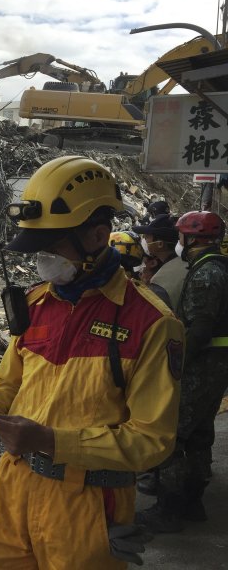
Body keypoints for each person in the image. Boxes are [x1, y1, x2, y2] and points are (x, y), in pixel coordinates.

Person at [0, 156, 183, 569]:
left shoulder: (151, 323)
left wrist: (51, 442)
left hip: (88, 507)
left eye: (51, 246)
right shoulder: (35, 303)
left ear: (98, 236)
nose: (42, 258)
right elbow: (9, 381)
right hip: (10, 492)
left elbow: (151, 441)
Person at [136, 211, 228, 533]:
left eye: (182, 236)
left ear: (191, 238)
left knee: (172, 435)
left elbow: (200, 328)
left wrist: (176, 365)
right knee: (201, 433)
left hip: (202, 364)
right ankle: (193, 502)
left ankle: (169, 508)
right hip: (217, 365)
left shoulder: (206, 273)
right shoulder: (219, 266)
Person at [133, 214, 187, 311]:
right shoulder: (186, 262)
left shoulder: (159, 282)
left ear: (160, 244)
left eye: (147, 237)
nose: (144, 240)